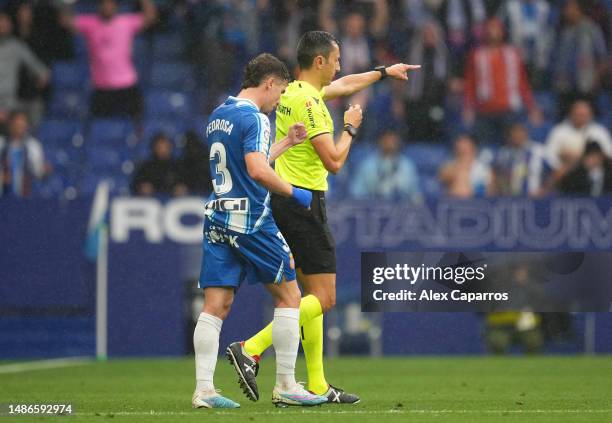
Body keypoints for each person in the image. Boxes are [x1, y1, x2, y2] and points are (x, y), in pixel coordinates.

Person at [226, 30, 419, 404]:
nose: (339, 67)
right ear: (319, 62)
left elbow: (345, 84)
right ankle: (251, 347)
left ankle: (316, 383)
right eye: (335, 60)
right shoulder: (313, 107)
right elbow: (333, 161)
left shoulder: (294, 92)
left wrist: (383, 72)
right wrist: (350, 128)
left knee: (307, 296)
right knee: (326, 298)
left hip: (283, 201)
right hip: (304, 203)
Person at [193, 53, 327, 409]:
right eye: (281, 92)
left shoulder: (220, 114)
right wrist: (294, 192)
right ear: (269, 83)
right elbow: (255, 170)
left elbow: (243, 163)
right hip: (251, 219)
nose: (280, 100)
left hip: (219, 215)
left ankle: (203, 390)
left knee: (215, 305)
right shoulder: (257, 117)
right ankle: (285, 384)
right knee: (290, 296)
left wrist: (285, 146)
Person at [62, 0, 157, 122]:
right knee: (99, 129)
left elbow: (150, 17)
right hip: (101, 88)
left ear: (116, 6)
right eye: (104, 3)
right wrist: (68, 3)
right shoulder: (90, 23)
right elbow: (66, 22)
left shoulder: (126, 22)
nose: (107, 7)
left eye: (110, 3)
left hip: (126, 85)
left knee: (137, 124)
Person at [463, 17, 541, 144]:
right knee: (484, 147)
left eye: (496, 28)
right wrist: (468, 107)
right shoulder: (476, 55)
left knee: (511, 146)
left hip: (508, 109)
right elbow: (470, 83)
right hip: (485, 109)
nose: (493, 31)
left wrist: (531, 107)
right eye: (490, 28)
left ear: (502, 31)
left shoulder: (513, 54)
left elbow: (522, 83)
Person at [0, 11, 49, 131]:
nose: (3, 26)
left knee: (34, 107)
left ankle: (30, 145)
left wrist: (42, 76)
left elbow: (39, 69)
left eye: (5, 23)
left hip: (10, 103)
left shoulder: (16, 47)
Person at [349, 130, 422, 203]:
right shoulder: (367, 165)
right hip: (372, 210)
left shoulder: (407, 166)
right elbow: (356, 194)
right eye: (386, 138)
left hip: (401, 211)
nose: (389, 142)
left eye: (393, 139)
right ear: (379, 141)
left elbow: (416, 196)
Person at [545, 100, 612, 175]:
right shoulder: (559, 131)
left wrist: (594, 158)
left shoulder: (599, 132)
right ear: (571, 114)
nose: (580, 118)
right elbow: (549, 155)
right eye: (578, 114)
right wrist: (561, 160)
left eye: (584, 115)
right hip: (566, 174)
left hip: (595, 174)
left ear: (590, 115)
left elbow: (609, 153)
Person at [0, 110, 48, 197]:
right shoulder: (1, 144)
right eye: (17, 124)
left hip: (27, 197)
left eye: (22, 124)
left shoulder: (33, 146)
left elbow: (38, 172)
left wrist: (44, 171)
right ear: (10, 125)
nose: (20, 127)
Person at [494, 122, 548, 197]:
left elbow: (555, 170)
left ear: (526, 133)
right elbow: (498, 174)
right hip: (510, 199)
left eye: (520, 132)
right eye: (514, 133)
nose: (517, 135)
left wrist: (545, 189)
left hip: (535, 199)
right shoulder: (504, 153)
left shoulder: (538, 151)